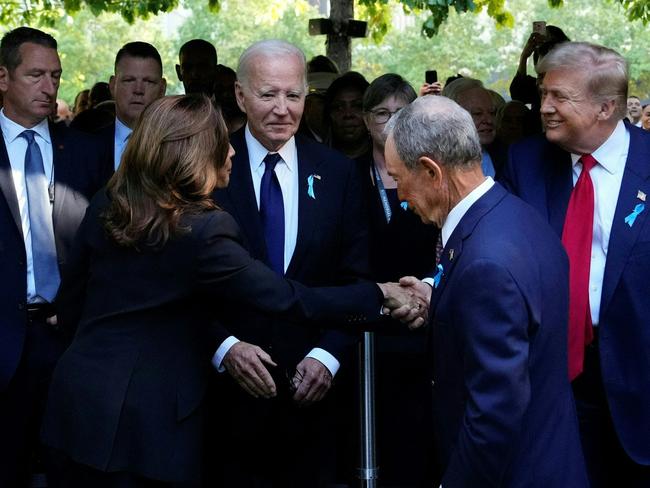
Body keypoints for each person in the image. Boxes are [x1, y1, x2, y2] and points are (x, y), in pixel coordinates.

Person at [40, 94, 415, 488]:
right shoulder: (203, 230)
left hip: (75, 408)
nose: (233, 150)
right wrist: (379, 294)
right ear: (196, 154)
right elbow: (286, 298)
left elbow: (72, 301)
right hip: (150, 427)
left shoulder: (108, 201)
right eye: (222, 142)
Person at [387, 94, 588, 487]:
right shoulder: (517, 215)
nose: (400, 196)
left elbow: (494, 412)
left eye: (398, 178)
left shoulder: (486, 265)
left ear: (431, 172)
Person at [209, 40, 372, 487]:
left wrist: (327, 355)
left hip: (313, 406)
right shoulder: (206, 169)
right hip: (225, 406)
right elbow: (182, 281)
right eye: (268, 95)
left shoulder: (339, 173)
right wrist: (224, 348)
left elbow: (356, 279)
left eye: (293, 96)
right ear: (241, 96)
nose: (282, 109)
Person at [502, 41, 650, 487]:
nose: (543, 107)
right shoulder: (525, 161)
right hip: (549, 380)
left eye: (559, 98)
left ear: (606, 108)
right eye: (543, 94)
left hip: (638, 380)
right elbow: (496, 251)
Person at [0, 26, 111, 487]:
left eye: (57, 76)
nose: (50, 88)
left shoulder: (86, 152)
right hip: (5, 339)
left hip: (69, 339)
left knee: (72, 470)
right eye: (36, 75)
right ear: (3, 78)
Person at [354, 73, 438, 486]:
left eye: (399, 113)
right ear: (365, 118)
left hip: (420, 316)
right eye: (380, 113)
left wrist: (422, 289)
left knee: (415, 434)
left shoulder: (429, 173)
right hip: (364, 322)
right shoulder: (346, 173)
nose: (389, 122)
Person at [99, 41, 166, 171]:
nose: (138, 90)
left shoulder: (178, 147)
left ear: (162, 88)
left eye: (149, 81)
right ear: (113, 86)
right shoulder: (86, 147)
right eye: (129, 80)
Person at [442, 77, 506, 178]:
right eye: (477, 113)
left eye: (492, 113)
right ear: (450, 116)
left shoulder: (505, 159)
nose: (489, 120)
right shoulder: (433, 160)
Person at [323, 71, 371, 159]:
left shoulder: (384, 162)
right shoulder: (317, 160)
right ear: (328, 114)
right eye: (338, 107)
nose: (348, 114)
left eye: (357, 106)